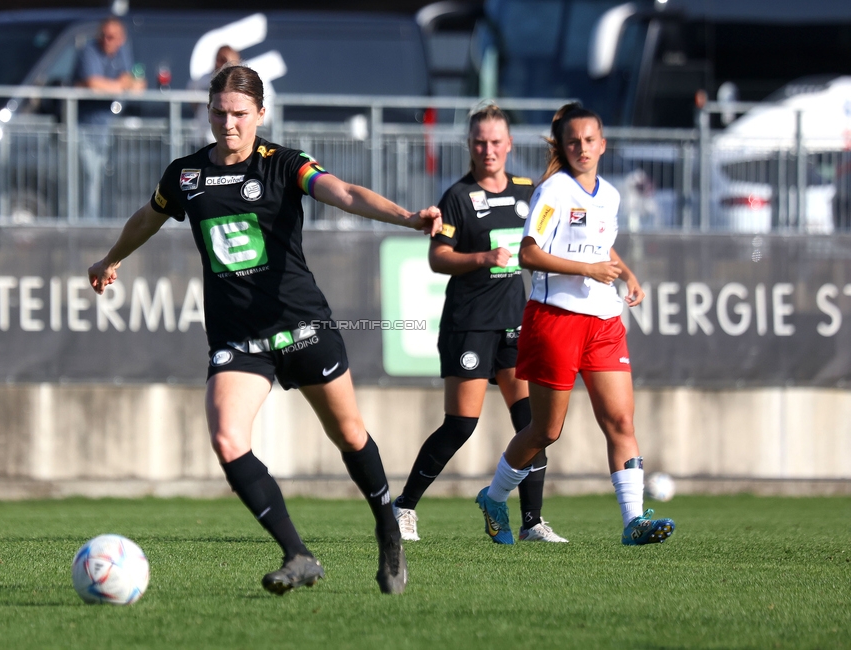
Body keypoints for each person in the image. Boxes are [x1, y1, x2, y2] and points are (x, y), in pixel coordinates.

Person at [88, 65, 441, 595]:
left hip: (301, 324)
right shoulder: (185, 175)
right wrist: (111, 258)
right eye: (218, 113)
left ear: (259, 114)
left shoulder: (284, 165)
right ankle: (297, 553)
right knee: (228, 439)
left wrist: (408, 217)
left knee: (348, 433)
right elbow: (148, 217)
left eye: (238, 114)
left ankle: (387, 526)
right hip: (237, 338)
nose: (227, 124)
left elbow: (343, 192)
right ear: (207, 112)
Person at [474, 103, 676, 546]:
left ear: (602, 144)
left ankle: (633, 520)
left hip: (604, 322)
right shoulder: (554, 192)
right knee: (546, 430)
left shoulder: (611, 194)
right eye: (573, 142)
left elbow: (602, 247)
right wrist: (587, 271)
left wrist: (625, 273)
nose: (582, 148)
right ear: (563, 148)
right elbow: (528, 253)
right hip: (556, 320)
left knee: (621, 420)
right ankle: (493, 498)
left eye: (590, 140)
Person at [392, 104, 566, 545]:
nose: (488, 150)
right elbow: (437, 257)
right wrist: (482, 259)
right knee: (460, 425)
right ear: (469, 145)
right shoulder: (457, 196)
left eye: (495, 142)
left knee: (531, 422)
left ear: (509, 145)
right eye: (479, 142)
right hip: (469, 323)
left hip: (516, 324)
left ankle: (532, 522)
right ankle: (403, 507)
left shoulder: (530, 191)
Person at [73, 17, 146, 218]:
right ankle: (89, 225)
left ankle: (106, 221)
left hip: (110, 128)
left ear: (121, 39)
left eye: (112, 36)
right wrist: (121, 85)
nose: (107, 40)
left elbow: (138, 84)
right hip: (86, 127)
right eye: (103, 35)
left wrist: (124, 84)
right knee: (90, 177)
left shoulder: (123, 53)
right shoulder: (89, 51)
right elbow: (93, 84)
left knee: (107, 179)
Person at [188, 45, 242, 145]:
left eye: (224, 60)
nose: (219, 63)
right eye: (217, 59)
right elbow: (193, 102)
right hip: (202, 137)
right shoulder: (202, 80)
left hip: (229, 138)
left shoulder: (243, 83)